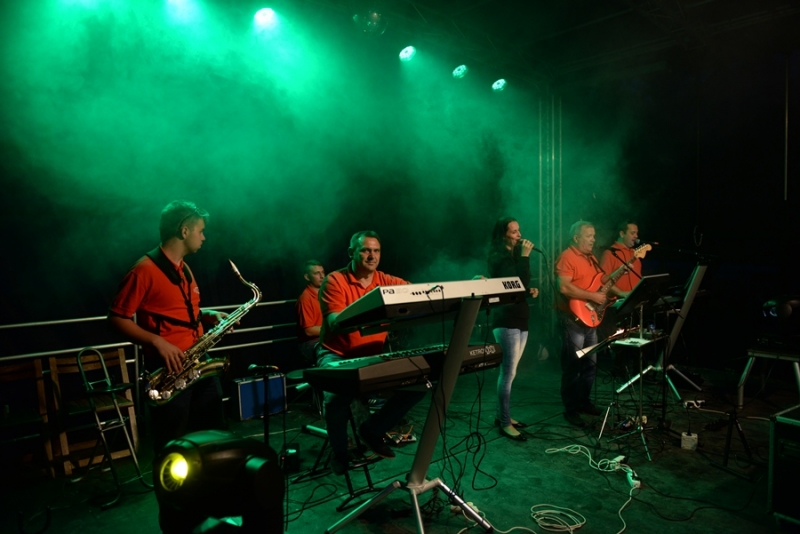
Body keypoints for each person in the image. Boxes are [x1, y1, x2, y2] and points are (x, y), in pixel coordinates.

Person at [108, 200, 228, 454]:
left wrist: (207, 315)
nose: (204, 237)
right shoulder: (144, 270)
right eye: (201, 231)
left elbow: (177, 310)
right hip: (168, 370)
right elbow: (117, 319)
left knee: (212, 435)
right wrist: (157, 341)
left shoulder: (184, 269)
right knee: (172, 445)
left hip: (197, 362)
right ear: (184, 231)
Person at [316, 231, 427, 475]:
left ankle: (372, 430)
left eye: (376, 251)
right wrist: (376, 308)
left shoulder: (385, 280)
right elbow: (335, 322)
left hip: (370, 356)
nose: (372, 255)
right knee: (336, 399)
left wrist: (468, 283)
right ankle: (340, 454)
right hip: (338, 354)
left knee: (419, 384)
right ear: (351, 253)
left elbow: (422, 291)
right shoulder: (335, 281)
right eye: (366, 250)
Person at [555, 221, 629, 427]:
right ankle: (571, 409)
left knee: (590, 364)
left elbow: (602, 282)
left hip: (590, 318)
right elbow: (564, 287)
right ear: (576, 238)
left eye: (594, 235)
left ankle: (584, 402)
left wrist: (620, 271)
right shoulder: (567, 257)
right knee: (573, 366)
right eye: (589, 236)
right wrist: (592, 296)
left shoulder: (592, 258)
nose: (593, 239)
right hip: (572, 319)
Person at [487, 217, 539, 441]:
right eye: (514, 232)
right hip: (506, 319)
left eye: (519, 230)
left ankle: (502, 415)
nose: (519, 235)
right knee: (507, 373)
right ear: (503, 235)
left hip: (520, 317)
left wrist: (528, 292)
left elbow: (517, 288)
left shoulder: (513, 256)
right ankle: (505, 422)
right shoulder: (498, 258)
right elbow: (516, 281)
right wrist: (525, 257)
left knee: (512, 372)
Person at [296, 260, 325, 365]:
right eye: (317, 273)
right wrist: (333, 329)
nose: (322, 276)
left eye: (323, 272)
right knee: (328, 352)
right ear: (307, 277)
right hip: (311, 343)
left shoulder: (327, 293)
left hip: (325, 338)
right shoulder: (305, 299)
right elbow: (309, 331)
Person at [600, 221, 642, 292]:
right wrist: (621, 293)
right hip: (620, 298)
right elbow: (603, 281)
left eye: (636, 233)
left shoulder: (634, 253)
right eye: (632, 233)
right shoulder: (610, 253)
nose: (636, 236)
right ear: (622, 234)